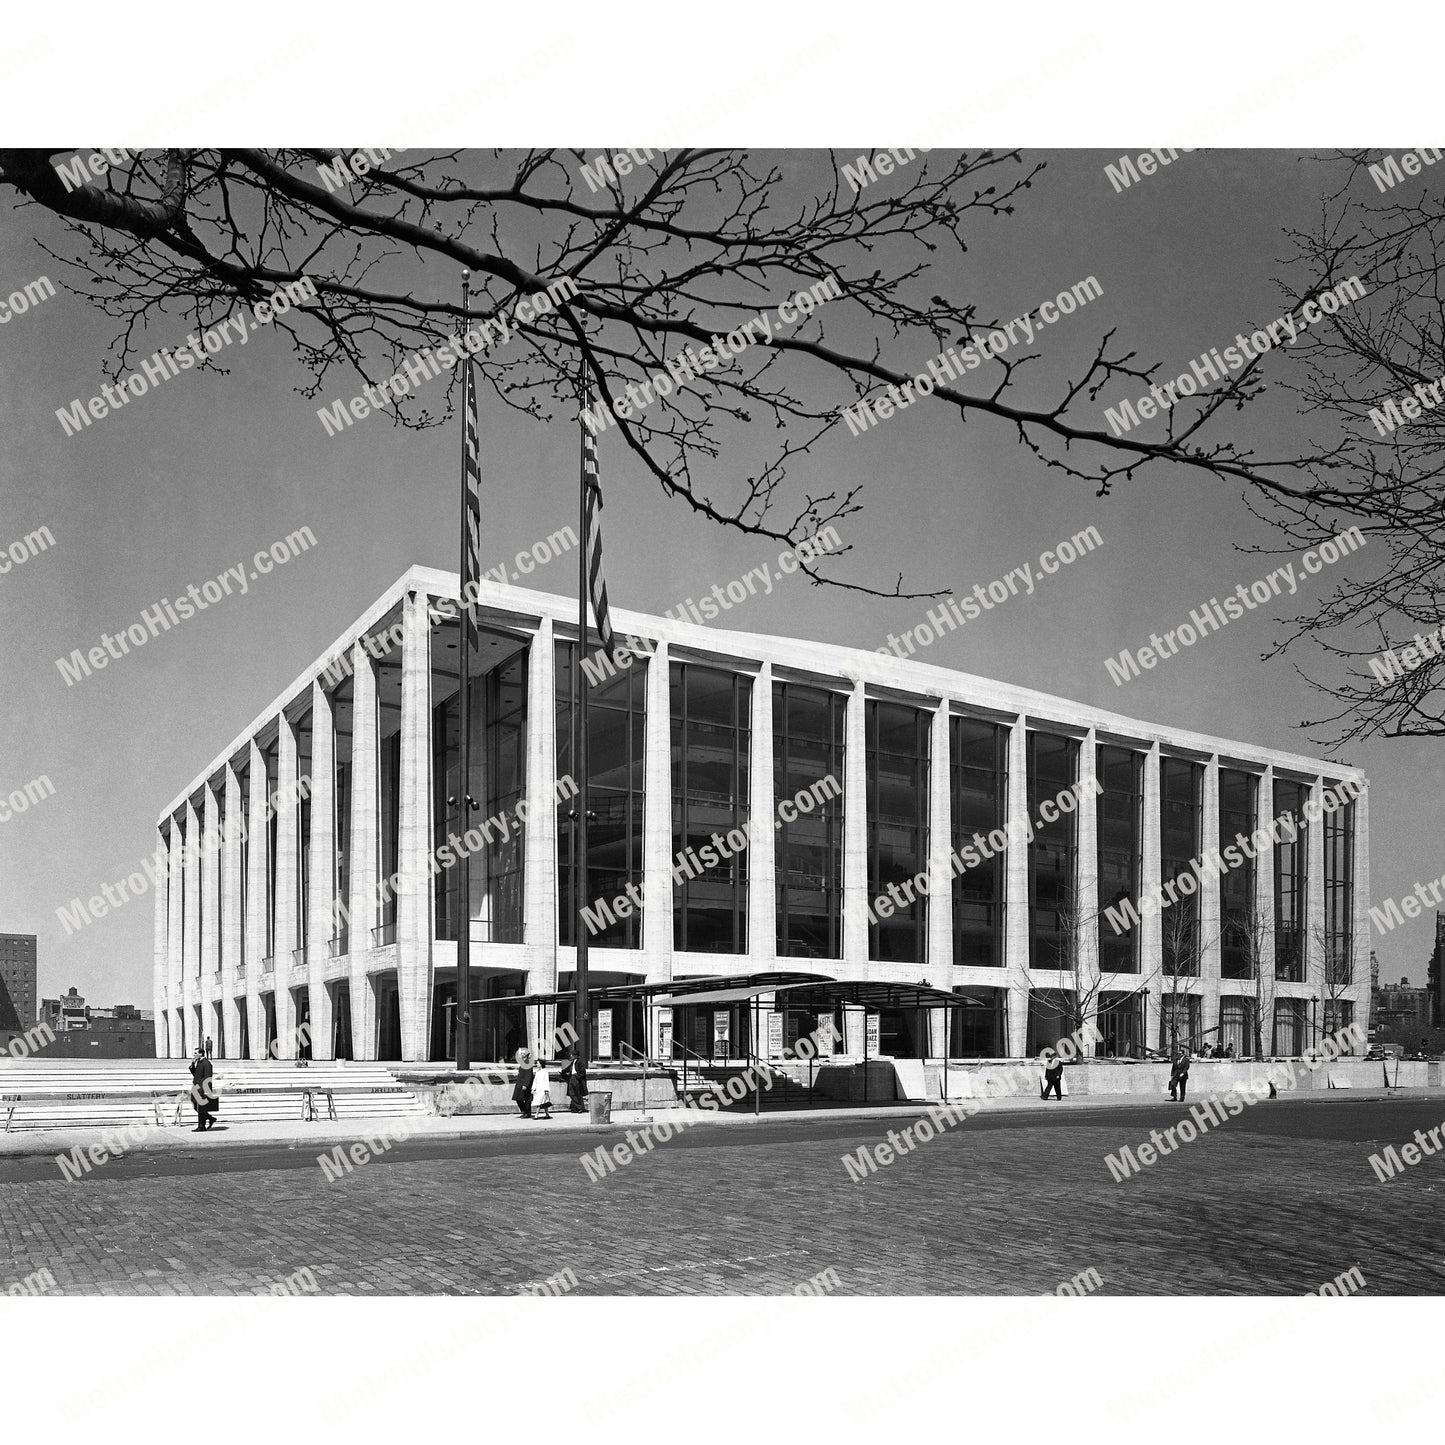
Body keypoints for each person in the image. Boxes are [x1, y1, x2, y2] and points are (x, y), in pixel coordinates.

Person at [188, 1049, 218, 1131]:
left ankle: (201, 1126)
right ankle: (209, 1118)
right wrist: (192, 1065)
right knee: (194, 1103)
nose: (194, 1055)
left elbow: (208, 1078)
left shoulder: (206, 1063)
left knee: (200, 1106)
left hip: (202, 1088)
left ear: (201, 1054)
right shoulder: (199, 1062)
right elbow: (196, 1075)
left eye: (196, 1053)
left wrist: (206, 1090)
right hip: (196, 1086)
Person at [512, 1048, 534, 1119]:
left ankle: (528, 1113)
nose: (521, 1056)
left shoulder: (528, 1063)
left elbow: (528, 1075)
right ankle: (524, 1111)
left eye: (523, 1054)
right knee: (518, 1098)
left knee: (527, 1099)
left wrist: (525, 1084)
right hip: (520, 1083)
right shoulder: (523, 1063)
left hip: (524, 1084)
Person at [531, 1056, 553, 1120]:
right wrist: (533, 1088)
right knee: (543, 1102)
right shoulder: (537, 1072)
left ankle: (536, 1115)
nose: (537, 1064)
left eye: (538, 1063)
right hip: (538, 1089)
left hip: (542, 1089)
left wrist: (546, 1090)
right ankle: (547, 1114)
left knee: (539, 1102)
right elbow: (535, 1081)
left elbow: (546, 1081)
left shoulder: (545, 1071)